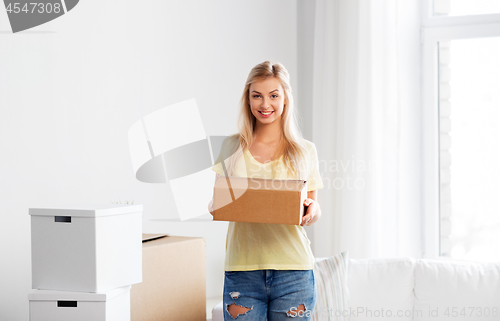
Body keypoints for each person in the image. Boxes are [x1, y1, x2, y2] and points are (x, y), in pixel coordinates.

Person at [209, 61, 324, 320]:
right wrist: (215, 206)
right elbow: (217, 199)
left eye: (273, 96)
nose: (265, 105)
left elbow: (313, 208)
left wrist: (312, 210)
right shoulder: (231, 146)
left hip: (294, 272)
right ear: (248, 100)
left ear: (285, 99)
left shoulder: (304, 151)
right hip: (243, 270)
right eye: (257, 96)